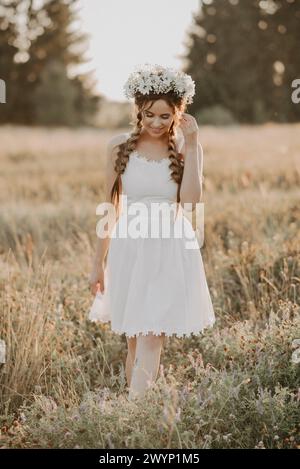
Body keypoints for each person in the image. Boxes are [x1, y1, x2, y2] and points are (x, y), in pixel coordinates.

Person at [89, 63, 216, 401]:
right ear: (138, 111)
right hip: (129, 247)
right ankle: (138, 414)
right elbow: (109, 206)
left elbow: (191, 203)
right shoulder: (118, 147)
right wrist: (97, 262)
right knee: (134, 337)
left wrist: (192, 142)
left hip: (170, 248)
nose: (157, 123)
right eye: (149, 115)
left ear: (179, 112)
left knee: (151, 336)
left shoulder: (188, 147)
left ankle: (134, 415)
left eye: (165, 116)